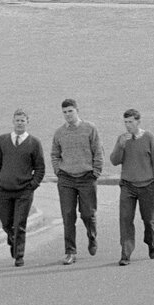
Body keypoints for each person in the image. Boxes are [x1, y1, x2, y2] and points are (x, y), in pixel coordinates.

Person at [0, 109, 47, 267]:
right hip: (3, 190)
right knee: (6, 222)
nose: (20, 123)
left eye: (23, 120)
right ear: (13, 122)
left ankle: (19, 255)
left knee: (20, 223)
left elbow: (40, 168)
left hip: (24, 191)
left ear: (27, 122)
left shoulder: (34, 143)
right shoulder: (2, 140)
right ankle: (11, 236)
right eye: (17, 120)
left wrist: (32, 185)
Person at [51, 98, 102, 266]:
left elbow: (98, 151)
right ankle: (70, 252)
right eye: (64, 112)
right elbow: (54, 154)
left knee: (88, 214)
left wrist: (95, 172)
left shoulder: (90, 128)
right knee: (68, 216)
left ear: (77, 111)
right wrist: (58, 171)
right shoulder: (59, 133)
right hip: (66, 179)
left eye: (70, 111)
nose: (67, 115)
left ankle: (92, 235)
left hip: (87, 177)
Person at [109, 108, 154, 266]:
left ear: (138, 122)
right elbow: (114, 160)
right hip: (128, 186)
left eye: (130, 122)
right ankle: (125, 253)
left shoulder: (149, 138)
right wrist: (120, 146)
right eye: (125, 122)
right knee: (125, 220)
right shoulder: (122, 139)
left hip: (147, 185)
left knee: (150, 220)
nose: (128, 126)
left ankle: (151, 242)